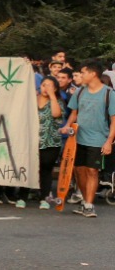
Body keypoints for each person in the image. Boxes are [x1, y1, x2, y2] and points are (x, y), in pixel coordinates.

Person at [60, 60, 115, 218]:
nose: (81, 75)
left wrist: (108, 141)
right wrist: (67, 126)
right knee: (79, 171)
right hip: (78, 138)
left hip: (98, 139)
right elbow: (74, 113)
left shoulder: (109, 94)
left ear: (93, 74)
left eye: (83, 73)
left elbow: (114, 120)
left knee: (92, 170)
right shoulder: (80, 92)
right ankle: (85, 201)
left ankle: (89, 205)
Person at [36, 76, 65, 209]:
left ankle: (44, 197)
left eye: (49, 86)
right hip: (33, 141)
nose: (45, 88)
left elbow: (55, 114)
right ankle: (23, 196)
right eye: (43, 85)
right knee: (32, 168)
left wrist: (52, 96)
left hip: (50, 142)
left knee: (46, 170)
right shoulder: (33, 99)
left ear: (55, 88)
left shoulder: (58, 101)